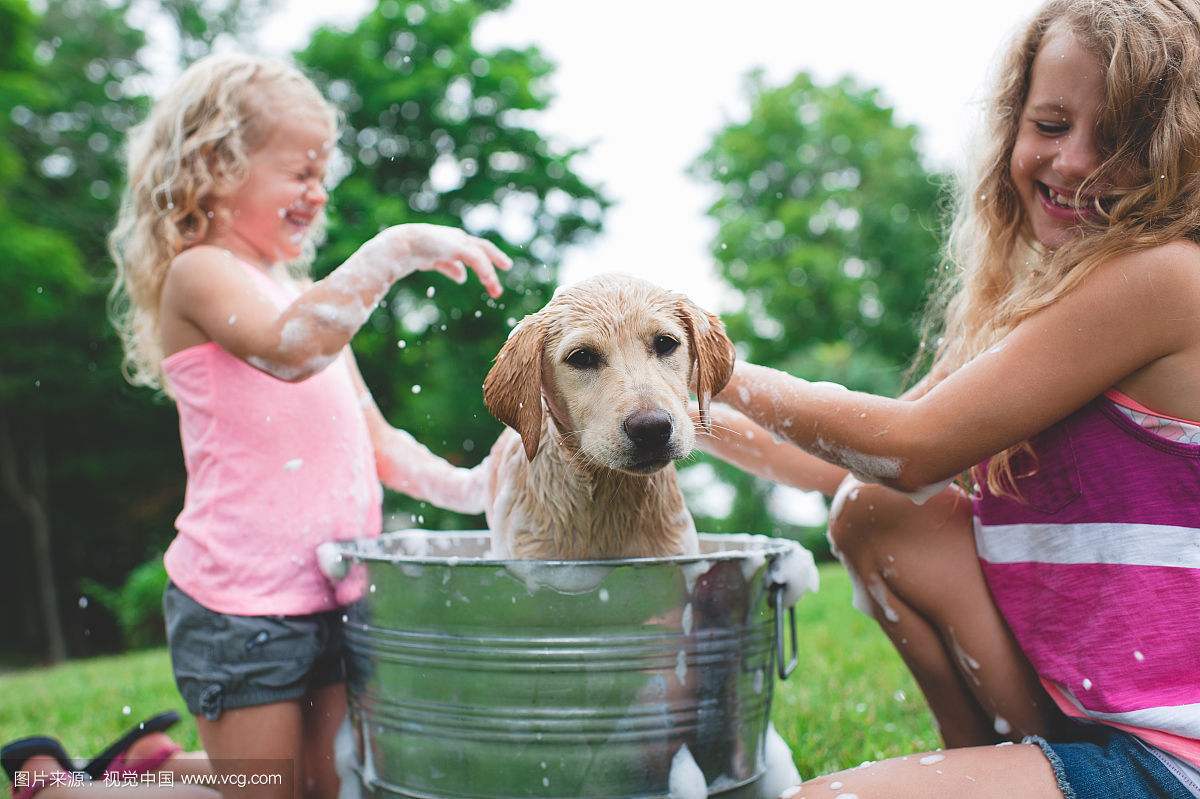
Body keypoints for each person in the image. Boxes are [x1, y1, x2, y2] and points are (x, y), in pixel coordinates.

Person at [699, 1, 1200, 797]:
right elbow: (854, 465)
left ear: (1180, 152)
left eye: (1120, 141)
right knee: (876, 511)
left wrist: (703, 354)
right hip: (1092, 724)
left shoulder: (1166, 277)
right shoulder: (1039, 298)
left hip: (1172, 759)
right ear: (1011, 126)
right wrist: (656, 407)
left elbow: (910, 446)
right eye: (1050, 123)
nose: (1073, 163)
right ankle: (987, 760)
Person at [82, 53, 504, 799]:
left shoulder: (302, 294)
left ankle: (153, 764)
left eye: (322, 173)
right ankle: (59, 785)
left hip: (334, 590)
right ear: (215, 165)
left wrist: (480, 486)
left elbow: (378, 443)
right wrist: (398, 248)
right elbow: (289, 350)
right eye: (300, 171)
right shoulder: (201, 273)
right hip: (241, 606)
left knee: (330, 785)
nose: (318, 191)